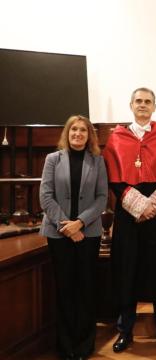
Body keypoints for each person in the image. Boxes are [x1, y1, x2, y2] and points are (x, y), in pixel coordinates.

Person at [103, 87, 156, 353]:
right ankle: (125, 329)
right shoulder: (116, 139)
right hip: (129, 214)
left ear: (155, 107)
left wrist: (155, 202)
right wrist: (136, 203)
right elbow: (112, 177)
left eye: (148, 102)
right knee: (127, 268)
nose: (143, 105)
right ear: (131, 105)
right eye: (138, 101)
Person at [39, 115, 108, 360]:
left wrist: (80, 223)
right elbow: (46, 196)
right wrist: (66, 225)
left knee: (86, 288)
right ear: (67, 133)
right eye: (74, 129)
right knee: (65, 288)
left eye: (83, 130)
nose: (78, 133)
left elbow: (102, 198)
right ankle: (65, 345)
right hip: (58, 235)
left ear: (89, 135)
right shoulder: (52, 160)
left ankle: (84, 344)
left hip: (87, 233)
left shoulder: (98, 161)